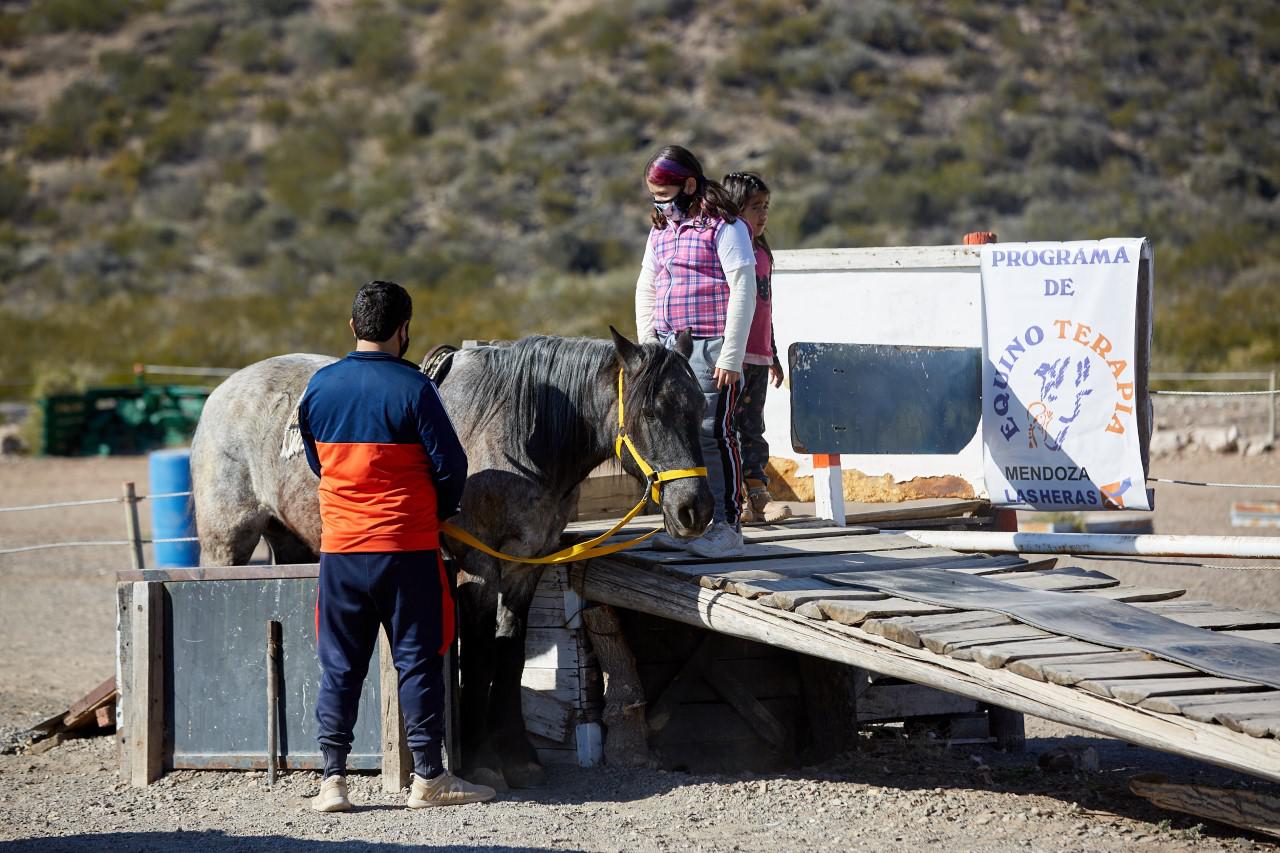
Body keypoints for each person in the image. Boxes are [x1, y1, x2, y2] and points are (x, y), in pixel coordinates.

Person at [297, 280, 495, 812]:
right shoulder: (416, 389)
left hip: (340, 551)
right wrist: (440, 508)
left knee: (339, 665)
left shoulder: (319, 387)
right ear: (404, 330)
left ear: (352, 325)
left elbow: (316, 461)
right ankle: (429, 778)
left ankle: (332, 781)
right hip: (406, 548)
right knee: (418, 660)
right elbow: (452, 465)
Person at [634, 145, 756, 558]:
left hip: (712, 347)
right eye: (655, 195)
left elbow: (743, 286)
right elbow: (647, 285)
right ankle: (683, 526)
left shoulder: (725, 227)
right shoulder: (661, 232)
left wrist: (732, 354)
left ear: (689, 185)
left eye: (666, 194)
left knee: (712, 434)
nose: (660, 203)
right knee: (671, 437)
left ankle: (726, 525)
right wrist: (648, 344)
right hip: (669, 349)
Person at [722, 171, 792, 525]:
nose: (763, 214)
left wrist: (773, 354)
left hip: (758, 357)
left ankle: (758, 493)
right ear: (735, 209)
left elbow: (765, 308)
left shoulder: (762, 252)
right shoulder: (733, 248)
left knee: (752, 426)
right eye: (754, 207)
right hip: (733, 357)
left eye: (766, 206)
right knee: (729, 427)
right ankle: (740, 496)